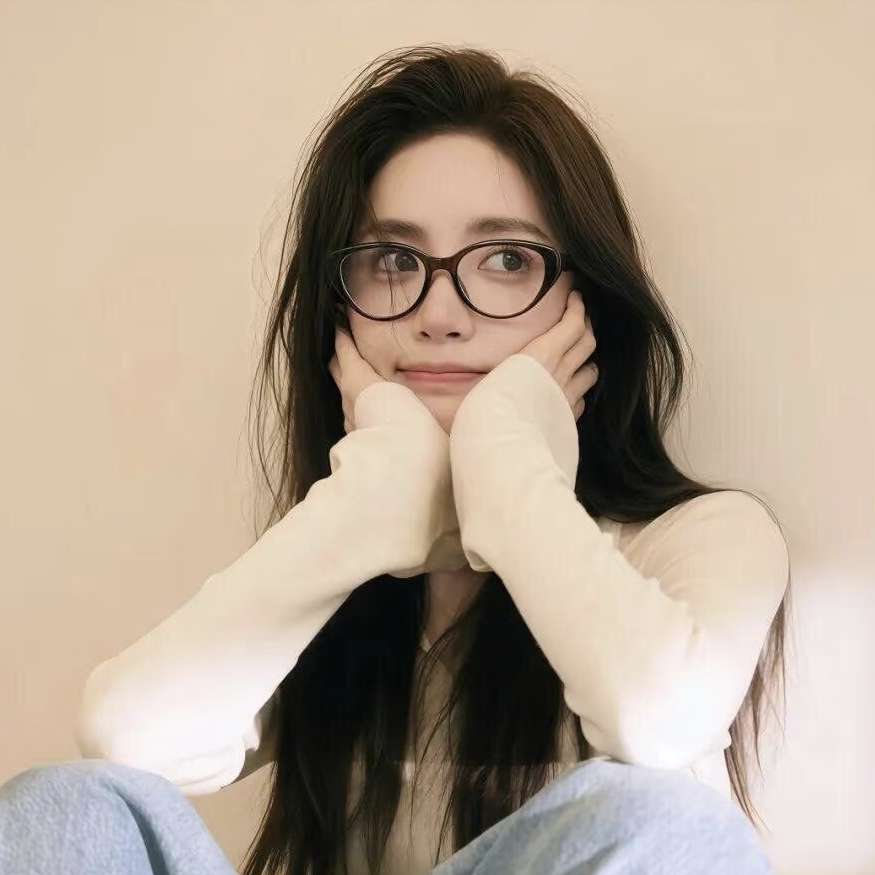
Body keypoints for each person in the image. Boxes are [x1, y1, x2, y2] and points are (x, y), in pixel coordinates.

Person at [0, 44, 791, 875]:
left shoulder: (706, 538)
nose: (439, 313)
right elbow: (129, 734)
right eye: (392, 261)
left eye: (507, 259)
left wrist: (505, 452)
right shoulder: (333, 565)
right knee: (69, 805)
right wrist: (373, 499)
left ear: (582, 303)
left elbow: (657, 719)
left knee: (664, 822)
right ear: (339, 313)